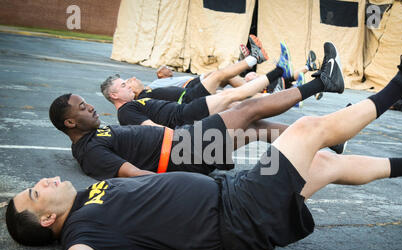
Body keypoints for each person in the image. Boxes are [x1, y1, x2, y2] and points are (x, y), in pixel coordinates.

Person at [7, 25, 402, 250]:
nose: (42, 181)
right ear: (47, 219)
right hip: (239, 214)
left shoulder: (86, 198)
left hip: (233, 194)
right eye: (35, 193)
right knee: (307, 130)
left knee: (324, 163)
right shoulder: (83, 230)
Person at [48, 42, 346, 180]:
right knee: (248, 107)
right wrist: (186, 185)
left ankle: (330, 140)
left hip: (185, 145)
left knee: (257, 129)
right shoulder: (90, 151)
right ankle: (323, 82)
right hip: (183, 149)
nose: (90, 108)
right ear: (70, 122)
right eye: (83, 108)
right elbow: (136, 175)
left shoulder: (91, 138)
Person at [100, 43, 288, 128]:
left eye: (128, 82)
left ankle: (281, 91)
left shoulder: (145, 94)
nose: (130, 83)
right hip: (188, 103)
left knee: (234, 101)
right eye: (125, 84)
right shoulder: (133, 106)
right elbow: (151, 128)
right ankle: (260, 63)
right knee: (229, 92)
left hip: (188, 101)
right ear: (115, 95)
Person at [124, 36, 269, 104]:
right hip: (192, 86)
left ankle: (255, 83)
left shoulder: (161, 83)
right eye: (130, 81)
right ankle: (250, 64)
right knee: (221, 77)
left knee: (226, 83)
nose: (134, 78)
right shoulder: (151, 88)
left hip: (192, 85)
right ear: (159, 73)